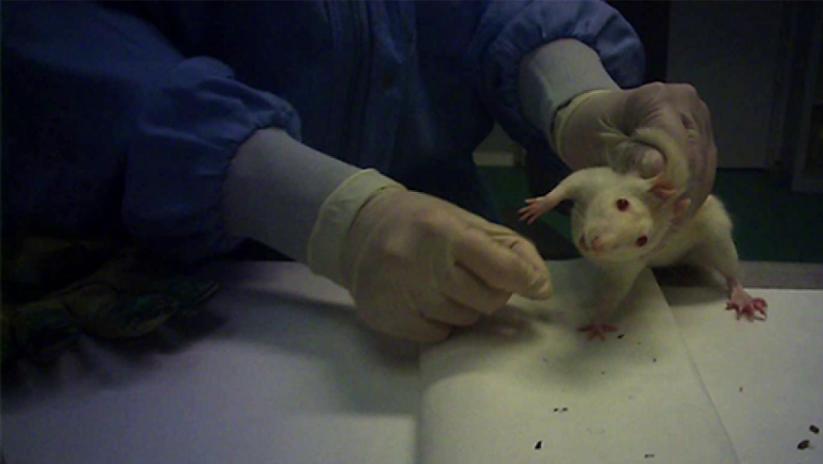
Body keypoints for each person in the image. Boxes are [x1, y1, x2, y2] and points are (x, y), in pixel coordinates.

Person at [2, 1, 716, 343]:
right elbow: (61, 38)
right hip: (177, 284)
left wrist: (577, 96)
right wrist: (328, 213)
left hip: (455, 266)